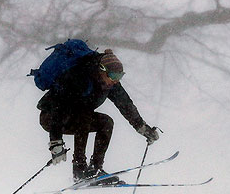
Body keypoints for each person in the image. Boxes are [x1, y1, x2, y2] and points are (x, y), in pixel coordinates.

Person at [37, 48, 160, 184]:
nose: (115, 81)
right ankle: (80, 169)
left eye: (119, 77)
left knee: (106, 122)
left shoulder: (110, 84)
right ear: (102, 70)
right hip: (51, 117)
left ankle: (95, 169)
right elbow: (58, 107)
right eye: (113, 76)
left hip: (77, 117)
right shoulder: (79, 76)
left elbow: (126, 105)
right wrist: (56, 142)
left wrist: (142, 128)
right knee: (84, 113)